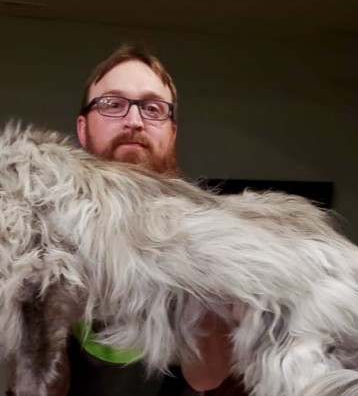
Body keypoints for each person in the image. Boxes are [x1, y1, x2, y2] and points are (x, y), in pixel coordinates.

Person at [68, 44, 239, 396]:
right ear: (83, 129)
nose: (134, 120)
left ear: (172, 131)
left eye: (152, 108)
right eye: (113, 104)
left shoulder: (214, 235)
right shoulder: (50, 234)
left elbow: (211, 378)